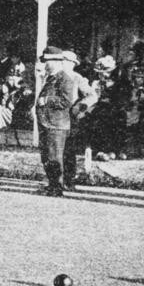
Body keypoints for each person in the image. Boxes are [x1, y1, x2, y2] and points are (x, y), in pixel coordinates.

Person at [35, 46, 78, 197]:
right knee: (46, 156)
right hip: (47, 124)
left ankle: (57, 187)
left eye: (46, 61)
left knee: (54, 157)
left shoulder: (65, 78)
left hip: (57, 125)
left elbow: (66, 102)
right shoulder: (51, 78)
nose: (44, 64)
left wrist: (47, 100)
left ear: (55, 61)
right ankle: (52, 184)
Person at [61, 50, 97, 189]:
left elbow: (92, 95)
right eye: (61, 60)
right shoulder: (54, 77)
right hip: (55, 116)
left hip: (70, 116)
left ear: (72, 64)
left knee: (69, 148)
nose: (62, 63)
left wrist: (80, 107)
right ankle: (56, 179)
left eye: (65, 61)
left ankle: (69, 179)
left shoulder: (77, 78)